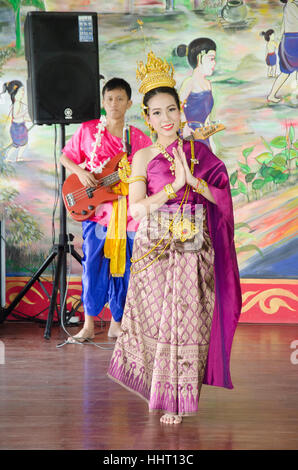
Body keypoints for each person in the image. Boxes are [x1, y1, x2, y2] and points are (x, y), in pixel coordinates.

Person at [107, 51, 242, 424]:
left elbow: (223, 197)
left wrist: (194, 181)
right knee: (156, 323)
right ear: (147, 118)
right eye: (156, 113)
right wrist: (174, 188)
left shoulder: (200, 152)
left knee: (186, 324)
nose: (165, 119)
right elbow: (136, 209)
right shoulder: (143, 157)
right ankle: (159, 388)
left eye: (171, 110)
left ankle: (179, 400)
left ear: (181, 110)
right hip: (154, 252)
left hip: (193, 251)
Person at [60, 77, 152, 342]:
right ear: (103, 102)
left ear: (129, 103)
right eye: (109, 98)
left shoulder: (137, 138)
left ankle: (116, 323)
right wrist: (81, 172)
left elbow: (150, 169)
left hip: (127, 216)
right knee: (93, 267)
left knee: (124, 269)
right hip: (97, 214)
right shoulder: (89, 131)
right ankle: (88, 326)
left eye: (120, 99)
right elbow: (65, 156)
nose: (114, 104)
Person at [175, 38, 217, 150]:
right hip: (189, 135)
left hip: (203, 134)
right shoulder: (189, 83)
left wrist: (211, 140)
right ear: (199, 58)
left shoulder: (208, 84)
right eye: (211, 59)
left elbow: (207, 117)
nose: (214, 63)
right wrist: (185, 127)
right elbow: (176, 106)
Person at [267, 0, 298, 103]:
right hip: (294, 39)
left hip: (288, 39)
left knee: (285, 72)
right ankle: (271, 95)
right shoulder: (292, 5)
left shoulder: (287, 6)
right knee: (287, 71)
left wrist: (280, 40)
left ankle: (271, 95)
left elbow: (283, 28)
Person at [1, 80, 31, 162]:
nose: (23, 93)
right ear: (15, 92)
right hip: (17, 128)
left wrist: (30, 119)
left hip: (21, 127)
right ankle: (8, 158)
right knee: (16, 145)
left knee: (22, 145)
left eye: (23, 90)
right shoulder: (16, 104)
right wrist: (25, 112)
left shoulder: (20, 103)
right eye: (21, 90)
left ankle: (18, 157)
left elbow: (22, 118)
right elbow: (16, 116)